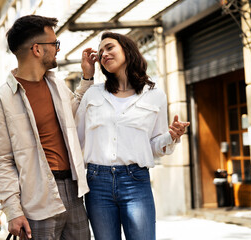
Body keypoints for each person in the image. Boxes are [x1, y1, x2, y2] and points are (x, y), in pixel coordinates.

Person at [0, 15, 97, 240]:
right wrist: (13, 211)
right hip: (37, 199)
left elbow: (72, 115)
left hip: (74, 191)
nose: (57, 50)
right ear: (37, 49)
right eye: (54, 44)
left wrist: (86, 77)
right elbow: (1, 161)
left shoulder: (56, 84)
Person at [75, 32, 190, 240]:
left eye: (109, 47)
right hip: (96, 182)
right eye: (101, 52)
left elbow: (154, 145)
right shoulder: (93, 94)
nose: (104, 54)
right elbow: (75, 138)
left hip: (135, 180)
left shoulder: (155, 95)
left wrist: (171, 137)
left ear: (127, 50)